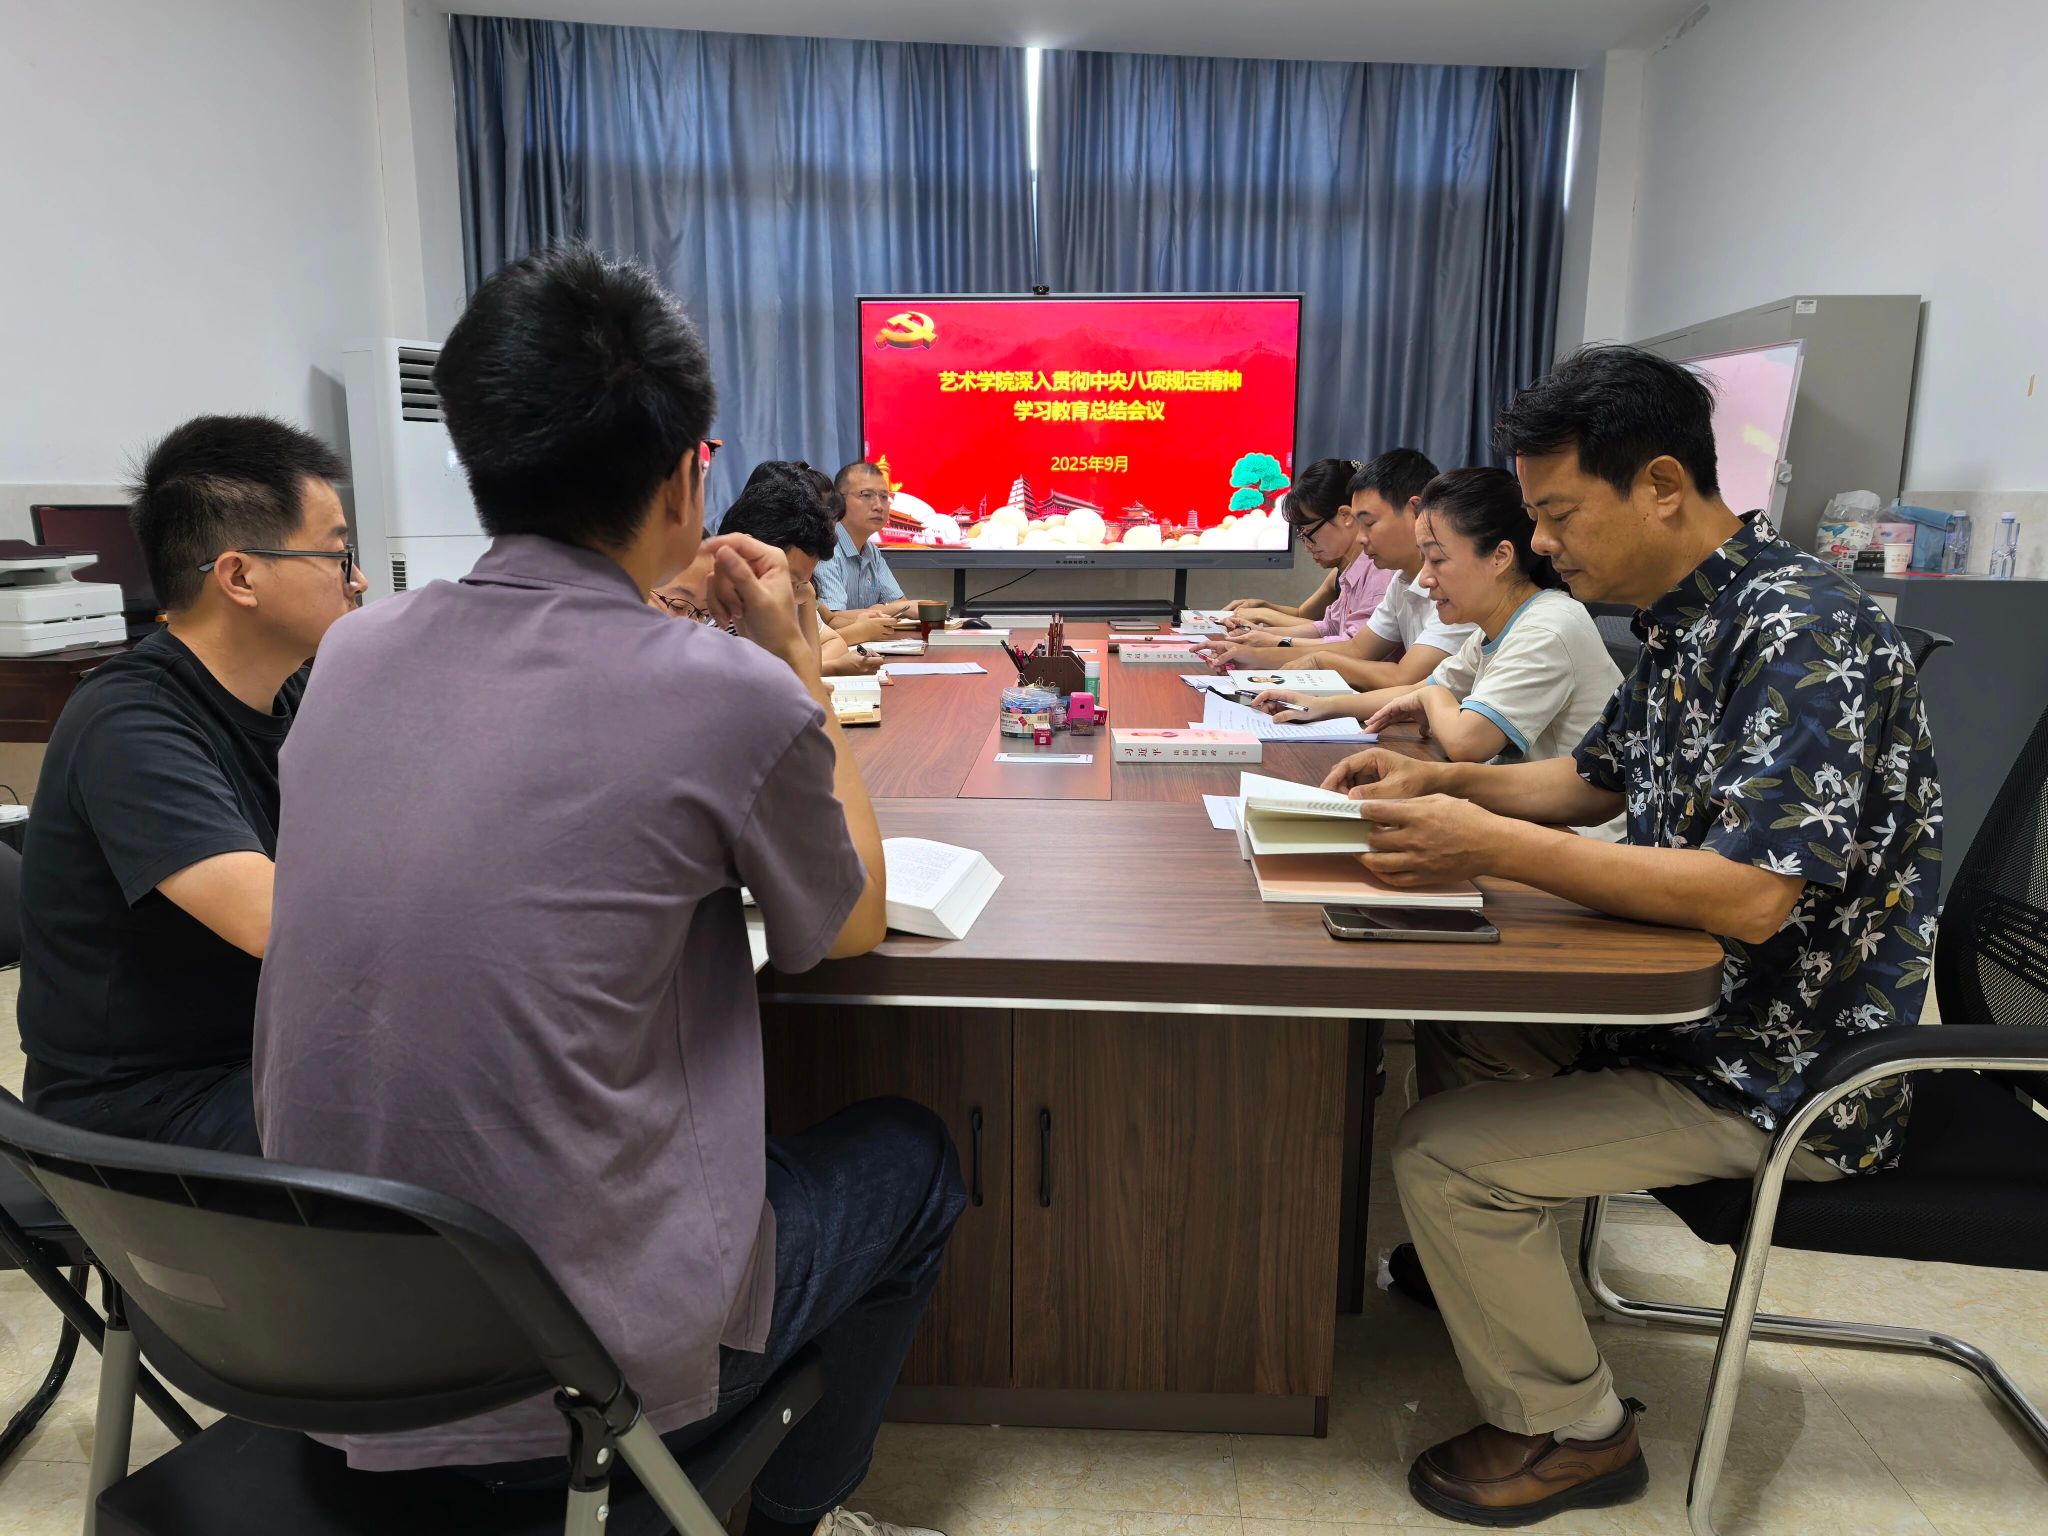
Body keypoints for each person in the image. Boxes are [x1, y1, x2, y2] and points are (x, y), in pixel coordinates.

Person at [253, 244, 961, 1536]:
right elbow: (845, 924)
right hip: (571, 1374)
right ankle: (795, 1512)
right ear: (690, 474)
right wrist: (795, 664)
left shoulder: (350, 655)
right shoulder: (724, 691)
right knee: (913, 1161)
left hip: (330, 1330)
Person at [1317, 346, 1940, 1526]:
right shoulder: (1686, 619)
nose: (1541, 542)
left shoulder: (1800, 631)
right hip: (1683, 1011)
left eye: (1557, 513)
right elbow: (1592, 783)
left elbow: (1747, 899)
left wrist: (1483, 843)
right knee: (1461, 1029)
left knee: (1441, 1155)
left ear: (1659, 485)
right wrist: (1436, 783)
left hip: (1780, 1065)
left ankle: (1574, 1434)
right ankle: (1495, 1280)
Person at [17, 415, 364, 1154]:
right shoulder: (128, 721)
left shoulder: (296, 690)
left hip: (268, 1051)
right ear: (239, 577)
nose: (357, 581)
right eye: (338, 555)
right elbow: (278, 923)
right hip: (142, 1109)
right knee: (465, 1129)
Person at [1253, 467, 1622, 835]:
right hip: (1527, 817)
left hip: (1577, 837)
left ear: (1500, 557)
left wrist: (1431, 697)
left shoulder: (1546, 627)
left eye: (1438, 560)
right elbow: (1421, 688)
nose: (1426, 578)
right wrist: (1322, 705)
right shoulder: (1496, 628)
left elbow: (1466, 740)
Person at [1198, 449, 1471, 689]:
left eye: (1369, 523)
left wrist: (1301, 655)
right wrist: (1254, 653)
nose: (1361, 539)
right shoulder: (1400, 579)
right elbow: (1356, 647)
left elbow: (1402, 679)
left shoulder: (1449, 586)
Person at [1207, 458, 1394, 645]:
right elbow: (1328, 627)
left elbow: (1353, 647)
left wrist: (1273, 640)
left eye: (1309, 532)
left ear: (1345, 515)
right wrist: (1259, 633)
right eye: (1301, 535)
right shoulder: (1351, 571)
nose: (1307, 546)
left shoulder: (1380, 571)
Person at [734, 462, 884, 676]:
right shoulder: (728, 602)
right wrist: (833, 667)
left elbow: (828, 643)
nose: (824, 529)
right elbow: (773, 676)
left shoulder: (799, 580)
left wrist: (806, 596)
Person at [818, 460, 919, 637]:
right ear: (839, 502)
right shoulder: (825, 547)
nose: (878, 506)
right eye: (866, 495)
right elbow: (831, 619)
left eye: (884, 497)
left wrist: (888, 608)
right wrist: (887, 609)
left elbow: (901, 605)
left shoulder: (872, 551)